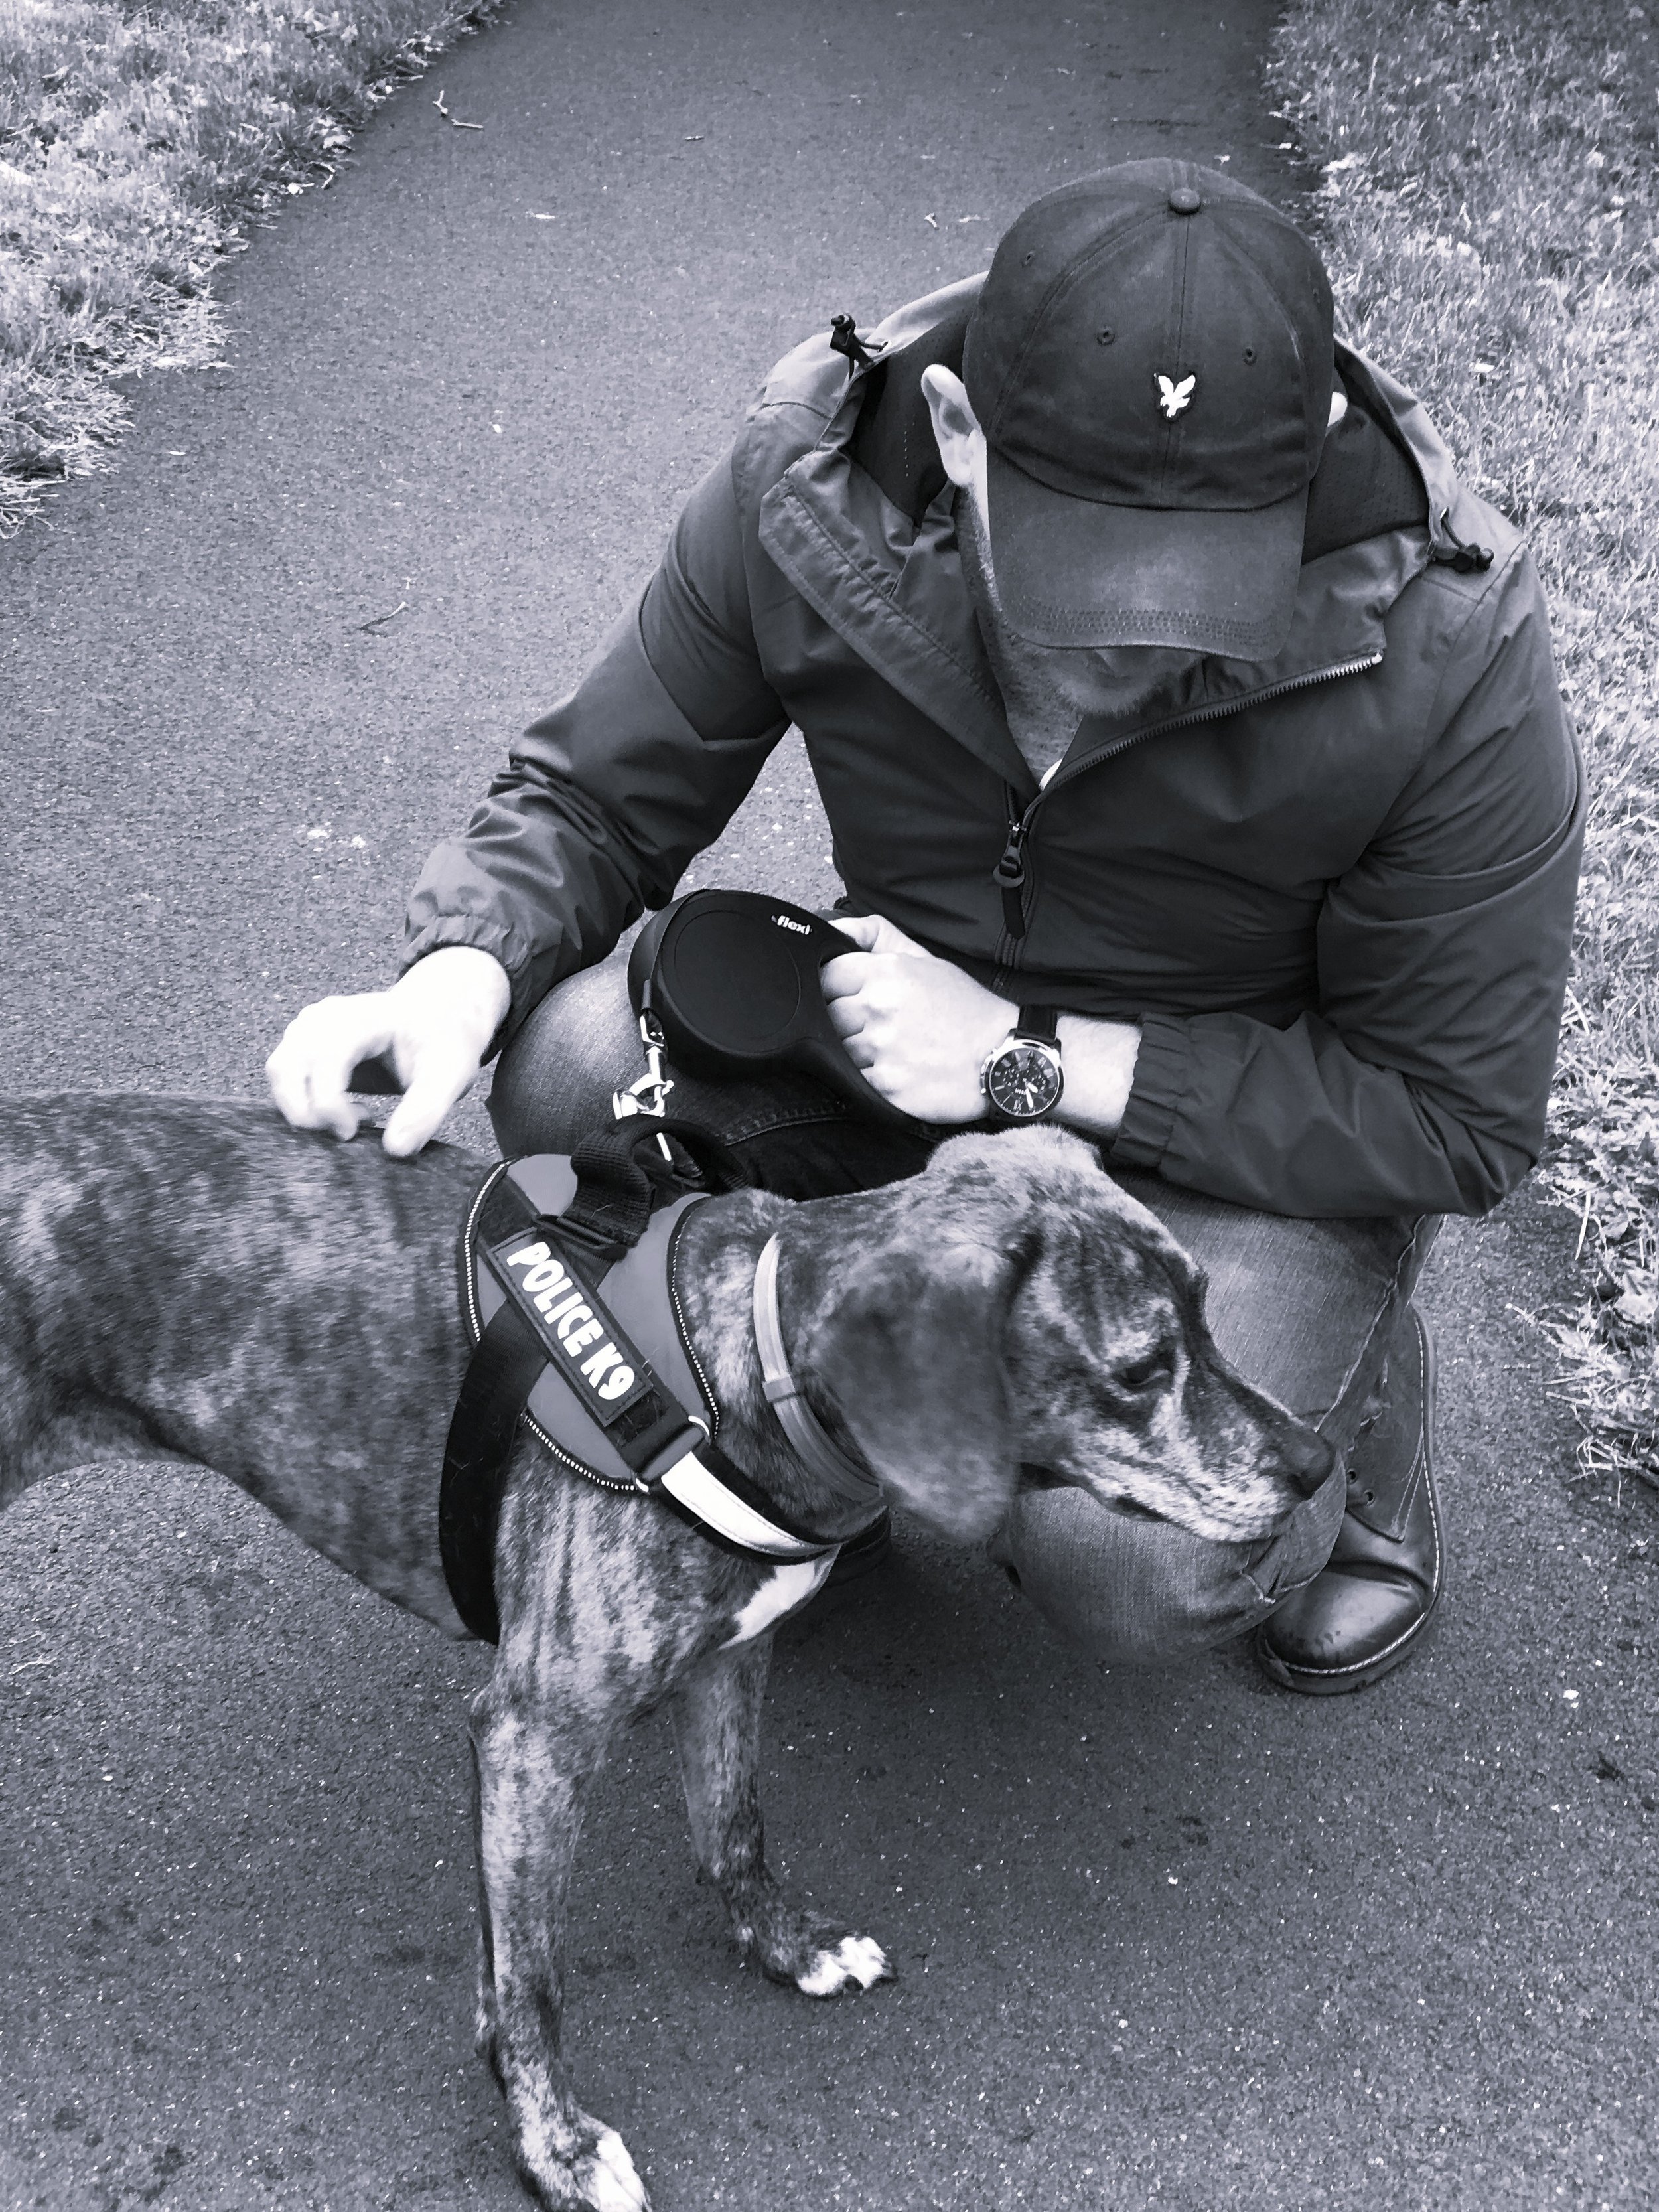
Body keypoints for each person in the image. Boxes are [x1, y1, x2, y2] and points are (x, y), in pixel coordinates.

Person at [268, 160, 1582, 1695]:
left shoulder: (1447, 639)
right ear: (957, 433)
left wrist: (1024, 1057)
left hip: (1224, 1148)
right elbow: (596, 794)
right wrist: (458, 968)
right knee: (561, 1070)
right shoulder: (806, 487)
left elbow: (1450, 1116)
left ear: (1308, 475)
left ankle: (1356, 1408)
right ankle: (865, 1448)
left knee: (1134, 1564)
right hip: (897, 1042)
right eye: (1086, 565)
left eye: (1205, 582)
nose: (1137, 634)